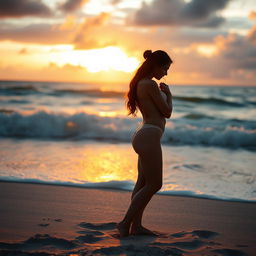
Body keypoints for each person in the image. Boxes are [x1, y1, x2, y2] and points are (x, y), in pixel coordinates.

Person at [117, 50, 173, 237]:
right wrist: (169, 96)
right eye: (165, 68)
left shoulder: (143, 83)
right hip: (148, 135)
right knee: (155, 184)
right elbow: (166, 112)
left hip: (145, 135)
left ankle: (136, 226)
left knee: (142, 183)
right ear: (156, 65)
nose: (166, 73)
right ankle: (125, 223)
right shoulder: (149, 84)